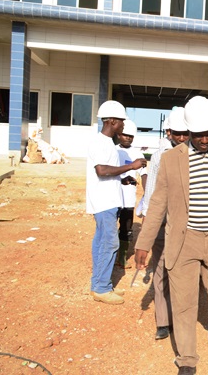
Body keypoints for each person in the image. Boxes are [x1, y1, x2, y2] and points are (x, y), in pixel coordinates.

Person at [135, 96, 208, 374]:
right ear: (188, 132)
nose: (204, 139)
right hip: (183, 242)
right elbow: (158, 203)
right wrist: (144, 243)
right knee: (184, 303)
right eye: (198, 135)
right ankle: (187, 359)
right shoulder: (170, 159)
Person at [87, 100, 147, 305]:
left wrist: (121, 179)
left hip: (108, 200)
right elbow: (101, 171)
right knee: (109, 243)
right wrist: (132, 166)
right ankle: (102, 288)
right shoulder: (100, 142)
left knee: (101, 242)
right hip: (104, 202)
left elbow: (106, 172)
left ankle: (99, 284)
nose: (123, 125)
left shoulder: (106, 144)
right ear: (112, 121)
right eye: (121, 121)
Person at [140, 107, 189, 341]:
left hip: (188, 225)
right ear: (169, 132)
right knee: (160, 271)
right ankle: (163, 321)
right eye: (177, 133)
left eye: (185, 133)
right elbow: (151, 192)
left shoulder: (197, 155)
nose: (181, 138)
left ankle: (181, 318)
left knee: (181, 273)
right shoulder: (160, 156)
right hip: (162, 223)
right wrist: (149, 221)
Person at [115, 119, 148, 269]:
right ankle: (111, 255)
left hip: (128, 199)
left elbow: (144, 173)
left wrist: (147, 192)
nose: (128, 138)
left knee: (126, 228)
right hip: (113, 197)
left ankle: (122, 257)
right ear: (119, 134)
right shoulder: (113, 150)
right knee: (110, 227)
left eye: (131, 136)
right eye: (125, 135)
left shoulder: (137, 153)